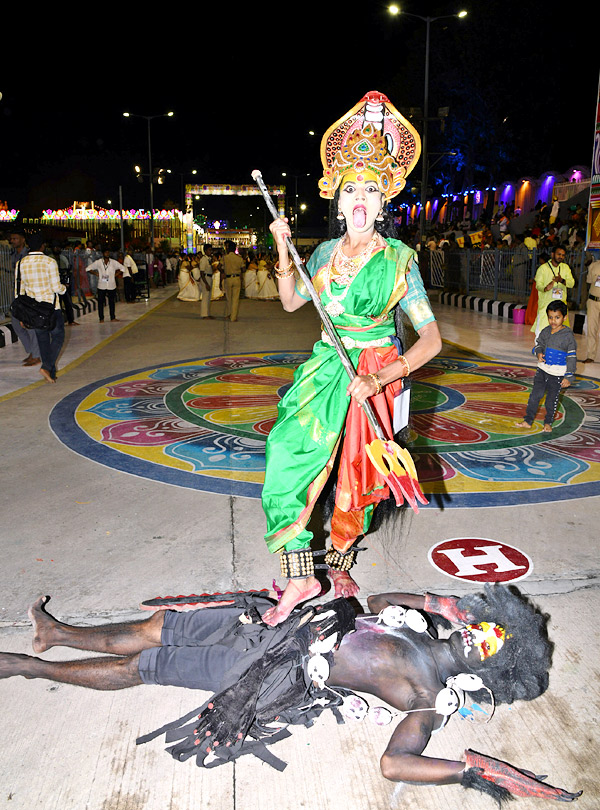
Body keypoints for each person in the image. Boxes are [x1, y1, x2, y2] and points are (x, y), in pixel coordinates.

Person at [0, 585, 580, 803]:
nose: (480, 629)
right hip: (277, 621)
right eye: (487, 622)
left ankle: (29, 667)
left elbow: (393, 763)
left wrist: (470, 773)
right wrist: (431, 603)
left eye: (491, 640)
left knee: (144, 666)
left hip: (267, 671)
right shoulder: (423, 627)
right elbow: (375, 604)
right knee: (160, 626)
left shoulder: (424, 697)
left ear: (487, 669)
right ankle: (57, 635)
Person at [261, 92, 441, 626]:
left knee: (357, 476)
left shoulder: (399, 261)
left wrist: (381, 375)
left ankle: (338, 564)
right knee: (287, 452)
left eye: (370, 189)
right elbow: (293, 302)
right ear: (337, 201)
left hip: (375, 372)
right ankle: (300, 574)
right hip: (324, 367)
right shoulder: (319, 254)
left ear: (382, 202)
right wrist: (280, 250)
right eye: (350, 190)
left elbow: (430, 341)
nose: (359, 198)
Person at [516, 301, 576, 432]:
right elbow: (539, 344)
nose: (553, 321)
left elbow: (571, 357)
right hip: (542, 370)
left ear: (565, 317)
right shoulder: (545, 331)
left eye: (557, 317)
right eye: (550, 317)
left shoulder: (568, 336)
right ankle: (528, 420)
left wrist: (569, 376)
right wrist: (538, 353)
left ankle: (548, 422)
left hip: (558, 375)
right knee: (534, 396)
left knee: (551, 400)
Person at [15, 233, 66, 383]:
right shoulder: (49, 262)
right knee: (58, 336)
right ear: (42, 246)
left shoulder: (21, 263)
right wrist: (64, 289)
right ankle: (47, 366)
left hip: (33, 309)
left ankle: (51, 373)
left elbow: (19, 291)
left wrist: (22, 316)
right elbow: (56, 287)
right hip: (50, 307)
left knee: (43, 339)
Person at [9, 230, 41, 366]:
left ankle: (36, 354)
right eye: (11, 239)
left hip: (28, 295)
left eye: (15, 238)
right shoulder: (12, 255)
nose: (13, 241)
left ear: (23, 240)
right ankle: (31, 351)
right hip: (17, 295)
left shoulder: (28, 255)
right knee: (16, 324)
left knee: (30, 325)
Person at [531, 246, 575, 337]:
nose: (561, 257)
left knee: (561, 331)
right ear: (552, 254)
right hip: (546, 303)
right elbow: (538, 285)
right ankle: (539, 349)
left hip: (561, 304)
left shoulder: (565, 268)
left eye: (563, 255)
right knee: (542, 329)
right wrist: (546, 288)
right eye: (559, 254)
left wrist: (562, 280)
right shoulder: (543, 268)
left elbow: (572, 283)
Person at [86, 248, 128, 322]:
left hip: (111, 285)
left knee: (112, 302)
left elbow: (123, 268)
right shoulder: (98, 262)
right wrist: (96, 273)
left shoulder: (113, 262)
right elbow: (88, 268)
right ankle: (101, 318)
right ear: (103, 253)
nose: (107, 254)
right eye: (106, 252)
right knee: (100, 303)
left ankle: (113, 317)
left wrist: (116, 275)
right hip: (101, 285)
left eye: (108, 252)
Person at [582, 252, 600, 364]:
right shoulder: (594, 265)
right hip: (593, 300)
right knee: (592, 329)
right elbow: (589, 282)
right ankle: (590, 355)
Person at [222, 240, 245, 321]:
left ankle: (230, 314)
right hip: (237, 278)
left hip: (228, 278)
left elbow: (220, 267)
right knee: (235, 299)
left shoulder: (225, 258)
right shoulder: (239, 258)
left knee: (229, 298)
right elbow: (243, 269)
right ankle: (233, 317)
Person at [198, 245, 214, 318]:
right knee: (205, 296)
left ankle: (207, 313)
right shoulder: (203, 259)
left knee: (208, 297)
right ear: (205, 251)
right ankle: (204, 314)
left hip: (210, 277)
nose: (210, 252)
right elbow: (202, 272)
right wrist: (206, 283)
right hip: (205, 278)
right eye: (209, 250)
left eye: (211, 250)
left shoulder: (209, 259)